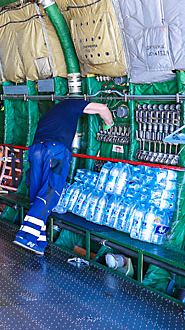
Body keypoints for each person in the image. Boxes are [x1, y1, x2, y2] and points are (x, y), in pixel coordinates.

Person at [13, 99, 114, 255]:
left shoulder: (53, 114)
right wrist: (110, 124)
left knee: (38, 194)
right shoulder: (71, 104)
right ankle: (26, 237)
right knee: (50, 193)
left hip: (36, 150)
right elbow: (101, 109)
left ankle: (39, 240)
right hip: (56, 151)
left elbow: (90, 111)